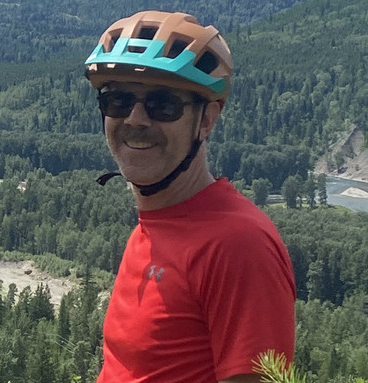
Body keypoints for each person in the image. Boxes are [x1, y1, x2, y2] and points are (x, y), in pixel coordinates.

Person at [83, 11, 296, 383]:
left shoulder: (237, 245)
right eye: (117, 101)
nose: (134, 119)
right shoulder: (153, 226)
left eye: (163, 104)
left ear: (206, 120)